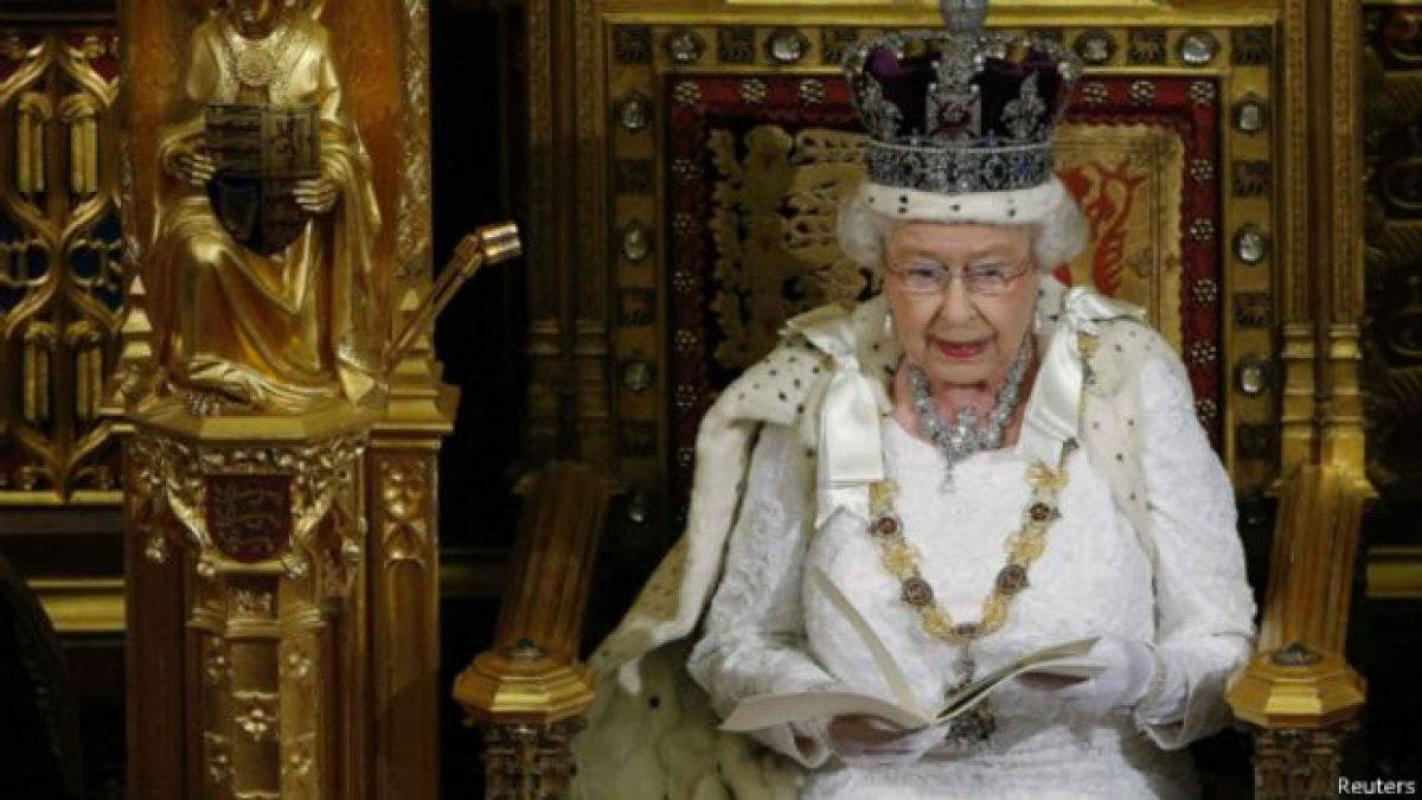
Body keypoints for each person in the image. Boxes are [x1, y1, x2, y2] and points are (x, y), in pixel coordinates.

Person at [574, 2, 1255, 798]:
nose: (956, 312)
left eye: (991, 272)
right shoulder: (819, 385)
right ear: (879, 268)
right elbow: (739, 643)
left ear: (1043, 264)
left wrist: (1142, 678)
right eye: (923, 272)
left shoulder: (1127, 376)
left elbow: (1222, 644)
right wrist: (820, 715)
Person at [146, 0, 383, 414]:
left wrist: (330, 180)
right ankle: (210, 373)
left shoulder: (313, 43)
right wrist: (181, 157)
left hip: (291, 203)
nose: (244, 8)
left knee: (302, 235)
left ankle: (299, 368)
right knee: (201, 251)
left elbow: (339, 138)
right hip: (214, 200)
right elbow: (174, 132)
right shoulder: (208, 41)